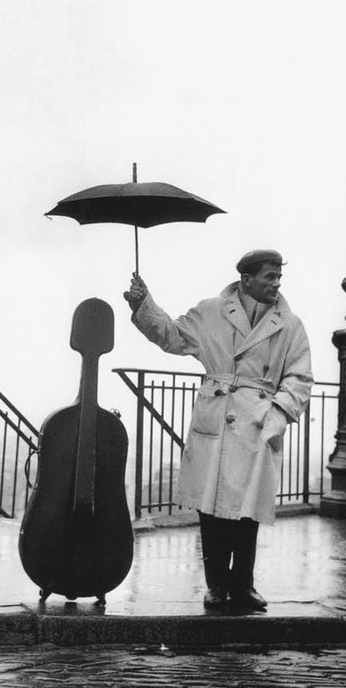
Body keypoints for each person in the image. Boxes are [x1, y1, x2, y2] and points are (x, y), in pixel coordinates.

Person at [124, 250, 312, 611]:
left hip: (258, 422)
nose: (276, 284)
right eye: (269, 277)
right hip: (217, 417)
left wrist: (276, 414)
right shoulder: (211, 311)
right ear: (246, 280)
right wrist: (143, 303)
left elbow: (299, 378)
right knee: (210, 509)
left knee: (248, 510)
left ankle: (242, 585)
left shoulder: (290, 325)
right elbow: (172, 337)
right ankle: (215, 586)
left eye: (278, 278)